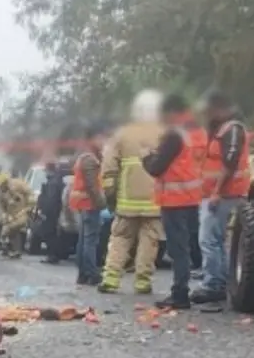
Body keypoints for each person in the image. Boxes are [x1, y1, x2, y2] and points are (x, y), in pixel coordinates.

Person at [142, 93, 207, 309]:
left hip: (174, 199)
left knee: (178, 249)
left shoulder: (173, 135)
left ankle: (180, 293)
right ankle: (183, 288)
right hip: (191, 198)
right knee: (186, 246)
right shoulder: (196, 133)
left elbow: (156, 167)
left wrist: (146, 157)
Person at [98, 89, 165, 294]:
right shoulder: (163, 134)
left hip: (126, 200)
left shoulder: (122, 135)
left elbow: (109, 168)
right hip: (155, 200)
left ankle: (111, 278)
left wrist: (110, 196)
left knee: (120, 238)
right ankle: (142, 281)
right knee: (149, 241)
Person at [191, 89, 250, 304]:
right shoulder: (221, 130)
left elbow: (230, 162)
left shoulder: (231, 129)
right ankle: (219, 280)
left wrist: (216, 191)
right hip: (218, 194)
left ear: (219, 109)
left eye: (209, 110)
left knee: (208, 240)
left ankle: (213, 284)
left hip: (225, 194)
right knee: (215, 240)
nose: (207, 115)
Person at [68, 122, 110, 285]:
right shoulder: (90, 159)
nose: (103, 142)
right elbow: (93, 187)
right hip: (89, 203)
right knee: (90, 240)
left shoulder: (82, 156)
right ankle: (92, 273)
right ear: (93, 139)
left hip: (82, 202)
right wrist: (102, 204)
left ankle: (83, 273)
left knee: (84, 239)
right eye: (101, 139)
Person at [0, 176, 34, 258]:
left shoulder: (17, 185)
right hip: (11, 213)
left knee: (9, 229)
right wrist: (5, 215)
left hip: (22, 211)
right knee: (14, 232)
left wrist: (29, 205)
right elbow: (2, 205)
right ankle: (15, 250)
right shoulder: (1, 192)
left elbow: (29, 193)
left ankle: (5, 243)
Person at [38, 161, 66, 264]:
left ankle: (52, 255)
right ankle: (53, 255)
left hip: (51, 214)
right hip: (55, 213)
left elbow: (51, 200)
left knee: (49, 234)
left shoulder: (53, 183)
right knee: (52, 234)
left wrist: (45, 212)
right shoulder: (56, 181)